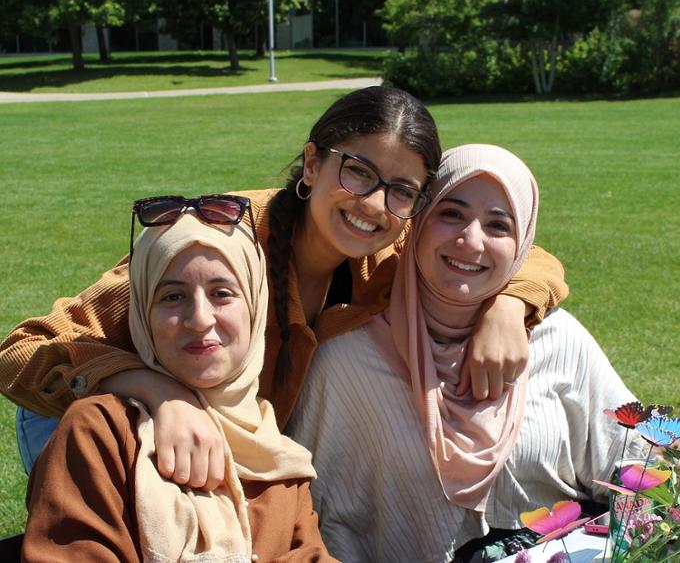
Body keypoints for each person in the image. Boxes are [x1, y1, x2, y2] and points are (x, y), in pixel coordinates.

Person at [1, 87, 567, 487]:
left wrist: (509, 306)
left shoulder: (390, 253)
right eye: (358, 171)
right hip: (90, 412)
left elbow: (518, 252)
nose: (373, 205)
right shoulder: (216, 240)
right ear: (312, 162)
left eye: (402, 189)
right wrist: (154, 389)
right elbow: (21, 351)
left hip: (227, 431)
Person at [287, 144, 642, 563]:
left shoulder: (558, 341)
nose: (470, 241)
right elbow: (310, 513)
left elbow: (640, 472)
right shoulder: (345, 360)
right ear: (415, 223)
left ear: (523, 241)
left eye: (498, 225)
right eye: (450, 214)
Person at [23, 209, 335, 562]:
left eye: (222, 293)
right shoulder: (99, 431)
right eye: (172, 297)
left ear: (255, 307)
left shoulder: (278, 460)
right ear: (142, 314)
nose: (200, 319)